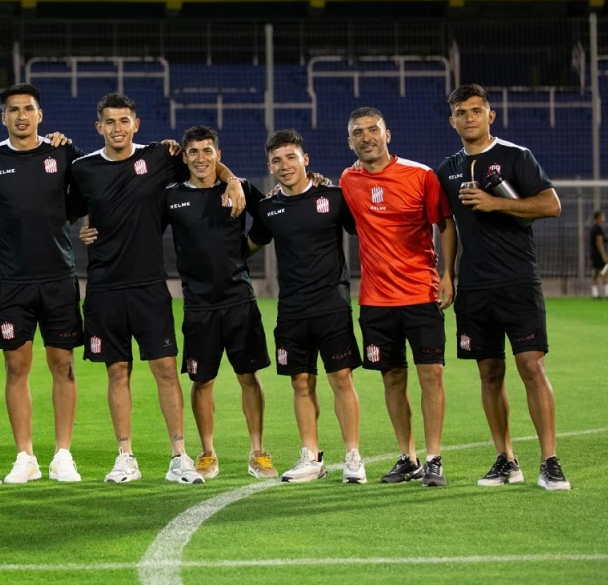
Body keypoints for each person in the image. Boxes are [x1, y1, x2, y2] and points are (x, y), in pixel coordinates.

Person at [70, 93, 246, 485]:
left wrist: (231, 179)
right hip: (104, 287)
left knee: (166, 369)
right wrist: (82, 228)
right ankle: (125, 456)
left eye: (124, 120)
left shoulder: (160, 157)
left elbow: (205, 161)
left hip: (150, 284)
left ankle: (179, 455)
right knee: (117, 371)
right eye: (110, 122)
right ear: (99, 127)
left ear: (136, 124)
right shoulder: (82, 169)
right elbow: (68, 208)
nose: (118, 128)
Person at [438, 83, 570, 491]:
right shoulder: (448, 169)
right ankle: (506, 459)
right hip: (475, 287)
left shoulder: (516, 157)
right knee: (489, 371)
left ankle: (549, 461)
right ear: (452, 120)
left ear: (490, 115)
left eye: (477, 110)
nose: (470, 117)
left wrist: (499, 204)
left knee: (531, 366)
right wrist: (448, 273)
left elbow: (551, 204)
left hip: (517, 279)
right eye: (462, 112)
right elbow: (449, 225)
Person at [0, 84, 85, 484]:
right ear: (3, 117)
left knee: (63, 366)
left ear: (40, 115)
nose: (21, 115)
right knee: (15, 367)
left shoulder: (62, 152)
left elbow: (90, 193)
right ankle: (25, 456)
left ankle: (63, 455)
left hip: (58, 274)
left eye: (28, 109)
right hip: (13, 280)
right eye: (13, 110)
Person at [339, 107, 456, 488]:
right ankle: (408, 457)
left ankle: (435, 457)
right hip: (375, 300)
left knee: (432, 375)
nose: (366, 137)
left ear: (388, 135)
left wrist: (447, 274)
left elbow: (445, 223)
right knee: (392, 378)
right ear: (350, 141)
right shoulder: (347, 180)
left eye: (373, 129)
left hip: (420, 293)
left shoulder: (421, 175)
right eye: (359, 132)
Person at [248, 129, 366, 485]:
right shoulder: (269, 208)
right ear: (269, 165)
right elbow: (249, 244)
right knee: (300, 383)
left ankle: (353, 456)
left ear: (305, 160)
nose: (283, 166)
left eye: (290, 158)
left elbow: (368, 229)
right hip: (292, 310)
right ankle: (310, 457)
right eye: (276, 160)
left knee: (341, 379)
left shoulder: (334, 197)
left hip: (332, 305)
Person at [161, 126, 276, 481]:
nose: (200, 158)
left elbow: (270, 219)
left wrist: (246, 249)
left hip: (239, 299)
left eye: (207, 151)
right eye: (192, 151)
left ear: (218, 155)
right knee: (202, 381)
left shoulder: (238, 189)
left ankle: (258, 452)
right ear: (184, 157)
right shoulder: (171, 197)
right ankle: (208, 452)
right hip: (198, 305)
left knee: (248, 376)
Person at [590, 212, 608, 299]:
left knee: (595, 273)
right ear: (598, 218)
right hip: (599, 255)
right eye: (602, 216)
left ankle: (595, 293)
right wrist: (604, 255)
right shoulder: (598, 229)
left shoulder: (593, 229)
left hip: (594, 254)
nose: (603, 218)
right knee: (605, 272)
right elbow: (599, 243)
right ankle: (607, 293)